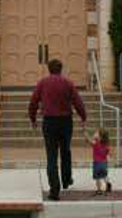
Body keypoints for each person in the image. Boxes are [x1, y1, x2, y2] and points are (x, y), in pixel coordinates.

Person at [29, 59, 87, 201]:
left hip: (49, 122)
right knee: (66, 150)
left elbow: (33, 102)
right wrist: (83, 116)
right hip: (66, 121)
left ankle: (54, 190)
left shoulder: (43, 83)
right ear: (61, 69)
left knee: (51, 155)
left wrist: (33, 119)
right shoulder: (68, 83)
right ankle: (66, 180)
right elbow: (77, 101)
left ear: (49, 69)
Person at [84, 127, 112, 195]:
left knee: (97, 178)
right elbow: (108, 154)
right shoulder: (106, 145)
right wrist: (108, 159)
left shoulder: (96, 143)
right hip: (104, 163)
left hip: (96, 163)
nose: (95, 133)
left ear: (100, 137)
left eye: (96, 133)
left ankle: (99, 190)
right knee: (104, 175)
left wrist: (85, 134)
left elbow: (89, 140)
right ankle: (108, 183)